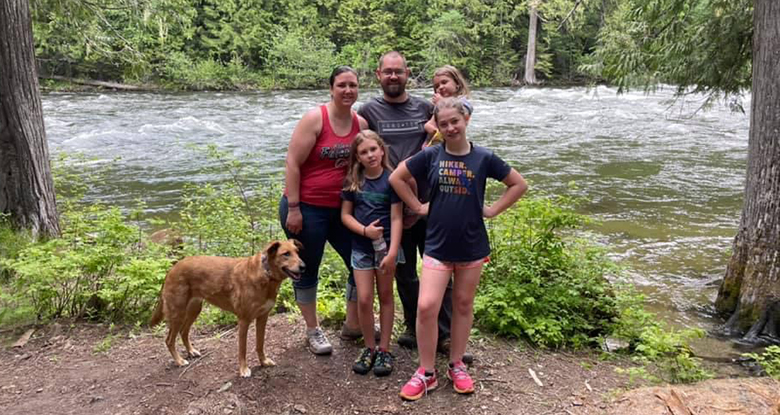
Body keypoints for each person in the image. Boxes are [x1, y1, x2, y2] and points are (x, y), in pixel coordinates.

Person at [390, 97, 528, 400]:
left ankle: (456, 365)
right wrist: (416, 206)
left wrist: (491, 210)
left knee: (463, 305)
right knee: (427, 306)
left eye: (455, 121)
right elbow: (396, 177)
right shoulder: (430, 156)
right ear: (437, 127)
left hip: (471, 245)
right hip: (437, 244)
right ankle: (426, 372)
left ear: (466, 119)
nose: (450, 127)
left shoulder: (484, 157)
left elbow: (518, 184)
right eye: (444, 123)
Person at [357, 51, 459, 358]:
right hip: (393, 210)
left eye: (398, 71)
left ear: (407, 73)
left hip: (429, 204)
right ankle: (415, 328)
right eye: (387, 72)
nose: (392, 76)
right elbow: (359, 154)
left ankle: (445, 334)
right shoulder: (369, 111)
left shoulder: (425, 107)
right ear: (378, 75)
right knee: (404, 273)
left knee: (440, 269)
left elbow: (450, 137)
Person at [279, 66, 369, 355]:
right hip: (306, 208)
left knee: (361, 262)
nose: (347, 90)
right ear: (331, 89)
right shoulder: (315, 119)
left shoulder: (361, 124)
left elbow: (366, 165)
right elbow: (292, 163)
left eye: (353, 85)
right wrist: (294, 207)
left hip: (343, 209)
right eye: (342, 85)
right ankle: (312, 330)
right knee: (307, 268)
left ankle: (353, 324)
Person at [340, 130, 404, 377]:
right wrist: (365, 231)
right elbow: (345, 215)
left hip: (386, 250)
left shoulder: (392, 180)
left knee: (386, 296)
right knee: (365, 299)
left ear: (382, 150)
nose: (370, 155)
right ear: (357, 156)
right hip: (361, 248)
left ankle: (385, 348)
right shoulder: (353, 181)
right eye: (364, 152)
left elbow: (397, 217)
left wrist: (393, 251)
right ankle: (369, 347)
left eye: (373, 150)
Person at [423, 65, 474, 148]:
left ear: (457, 83)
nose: (441, 87)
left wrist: (441, 102)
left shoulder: (464, 103)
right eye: (437, 86)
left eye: (444, 82)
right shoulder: (436, 104)